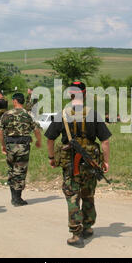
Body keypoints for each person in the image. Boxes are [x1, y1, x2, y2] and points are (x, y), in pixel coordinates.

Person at [45, 81, 111, 248]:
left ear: (70, 94)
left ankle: (76, 233)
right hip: (90, 163)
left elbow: (50, 139)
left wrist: (51, 158)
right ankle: (87, 228)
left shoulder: (62, 114)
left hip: (70, 165)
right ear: (85, 94)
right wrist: (105, 161)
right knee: (88, 194)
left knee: (73, 195)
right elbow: (105, 142)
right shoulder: (93, 114)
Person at [0, 93, 42, 206]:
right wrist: (38, 141)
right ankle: (17, 198)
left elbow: (0, 131)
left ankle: (13, 196)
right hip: (23, 146)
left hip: (10, 145)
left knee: (12, 169)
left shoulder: (6, 114)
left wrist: (2, 145)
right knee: (20, 171)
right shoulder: (28, 114)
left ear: (15, 101)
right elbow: (36, 129)